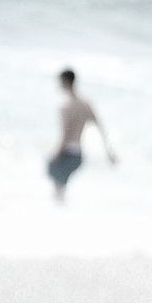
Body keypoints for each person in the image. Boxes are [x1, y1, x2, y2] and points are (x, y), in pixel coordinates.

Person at [48, 68, 116, 203]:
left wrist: (55, 153)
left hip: (66, 152)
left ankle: (59, 215)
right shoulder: (85, 104)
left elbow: (65, 133)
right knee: (62, 189)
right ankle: (63, 211)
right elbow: (100, 127)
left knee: (57, 188)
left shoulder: (65, 105)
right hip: (78, 155)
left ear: (65, 81)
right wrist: (109, 153)